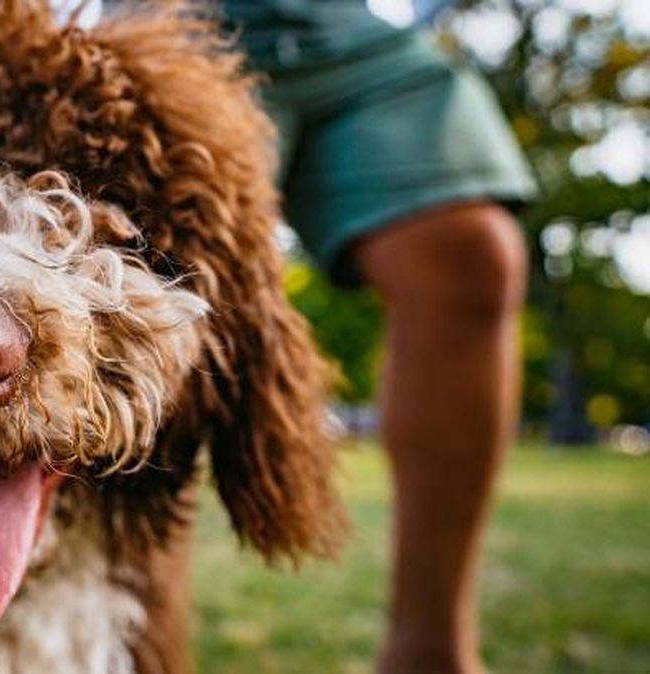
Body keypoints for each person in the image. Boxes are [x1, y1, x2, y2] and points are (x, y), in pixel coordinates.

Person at [218, 1, 536, 672]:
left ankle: (431, 654)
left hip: (339, 26)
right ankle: (125, 641)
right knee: (172, 287)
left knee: (468, 251)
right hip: (179, 21)